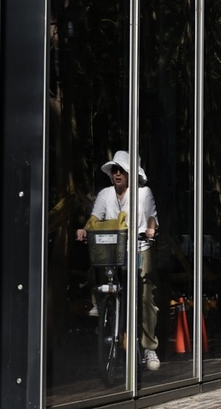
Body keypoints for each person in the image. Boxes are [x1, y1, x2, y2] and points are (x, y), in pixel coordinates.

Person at [76, 150, 161, 371]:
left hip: (140, 248)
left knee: (144, 296)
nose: (117, 173)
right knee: (95, 269)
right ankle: (101, 307)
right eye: (114, 170)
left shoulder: (144, 193)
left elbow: (152, 216)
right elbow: (95, 219)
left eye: (121, 169)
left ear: (131, 173)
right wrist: (84, 230)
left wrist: (150, 229)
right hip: (113, 251)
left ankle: (149, 347)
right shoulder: (105, 194)